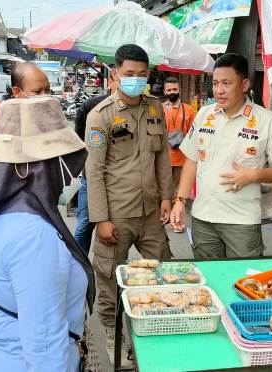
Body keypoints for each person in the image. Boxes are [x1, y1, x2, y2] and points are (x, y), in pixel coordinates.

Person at [0, 97, 96, 372]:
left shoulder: (5, 215)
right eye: (57, 159)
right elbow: (45, 349)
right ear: (27, 168)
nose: (69, 175)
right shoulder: (33, 238)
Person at [84, 44, 173, 364]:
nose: (135, 79)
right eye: (129, 74)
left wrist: (166, 196)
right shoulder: (100, 116)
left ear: (148, 75)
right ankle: (113, 335)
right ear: (115, 74)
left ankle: (158, 328)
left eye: (141, 74)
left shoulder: (155, 108)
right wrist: (100, 219)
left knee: (164, 270)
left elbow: (162, 155)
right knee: (109, 277)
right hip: (116, 213)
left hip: (150, 210)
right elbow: (93, 172)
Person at [170, 53, 272, 258]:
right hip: (203, 219)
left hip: (242, 221)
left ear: (244, 85)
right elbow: (192, 160)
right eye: (216, 83)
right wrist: (180, 200)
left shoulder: (267, 120)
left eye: (227, 83)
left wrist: (254, 176)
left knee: (243, 281)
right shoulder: (204, 115)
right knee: (209, 279)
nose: (219, 90)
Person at [73, 73, 115, 255]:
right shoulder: (92, 106)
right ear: (113, 79)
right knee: (84, 224)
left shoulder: (137, 109)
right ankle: (77, 263)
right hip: (91, 177)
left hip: (118, 181)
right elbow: (79, 139)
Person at [162, 76, 195, 233]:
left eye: (174, 89)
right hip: (163, 159)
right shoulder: (159, 109)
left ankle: (177, 222)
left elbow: (192, 135)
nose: (172, 92)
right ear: (164, 91)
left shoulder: (189, 110)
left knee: (179, 194)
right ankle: (162, 219)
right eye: (169, 90)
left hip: (182, 159)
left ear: (179, 90)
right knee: (162, 191)